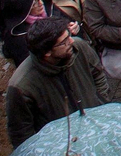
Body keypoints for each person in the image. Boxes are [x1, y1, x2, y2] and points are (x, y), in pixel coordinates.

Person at [6, 17, 110, 147]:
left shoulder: (80, 47)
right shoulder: (21, 86)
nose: (71, 41)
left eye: (69, 35)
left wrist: (101, 103)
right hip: (62, 147)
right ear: (47, 52)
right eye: (64, 42)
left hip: (95, 127)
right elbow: (21, 133)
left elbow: (97, 73)